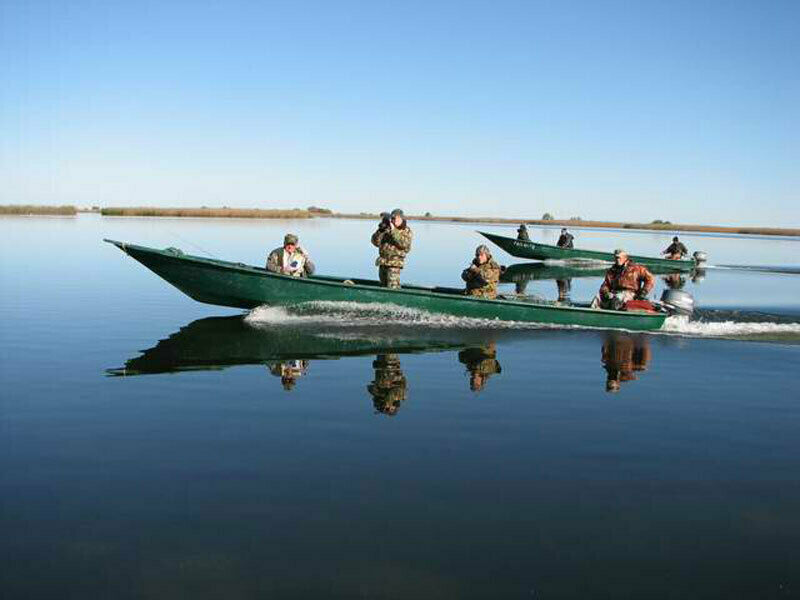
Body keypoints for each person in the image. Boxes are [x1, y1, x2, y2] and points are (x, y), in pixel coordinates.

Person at [590, 249, 655, 310]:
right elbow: (605, 285)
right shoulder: (612, 271)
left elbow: (650, 279)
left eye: (619, 258)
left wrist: (643, 292)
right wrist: (606, 293)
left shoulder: (637, 268)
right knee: (597, 297)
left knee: (618, 298)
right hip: (614, 293)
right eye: (615, 258)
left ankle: (614, 316)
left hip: (630, 293)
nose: (617, 260)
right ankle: (592, 315)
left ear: (625, 258)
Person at [371, 208, 412, 288]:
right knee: (383, 286)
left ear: (401, 219)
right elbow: (375, 242)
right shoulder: (386, 229)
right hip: (383, 262)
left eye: (395, 218)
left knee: (393, 287)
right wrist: (380, 230)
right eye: (392, 218)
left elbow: (404, 244)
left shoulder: (406, 231)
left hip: (394, 264)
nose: (393, 220)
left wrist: (393, 230)